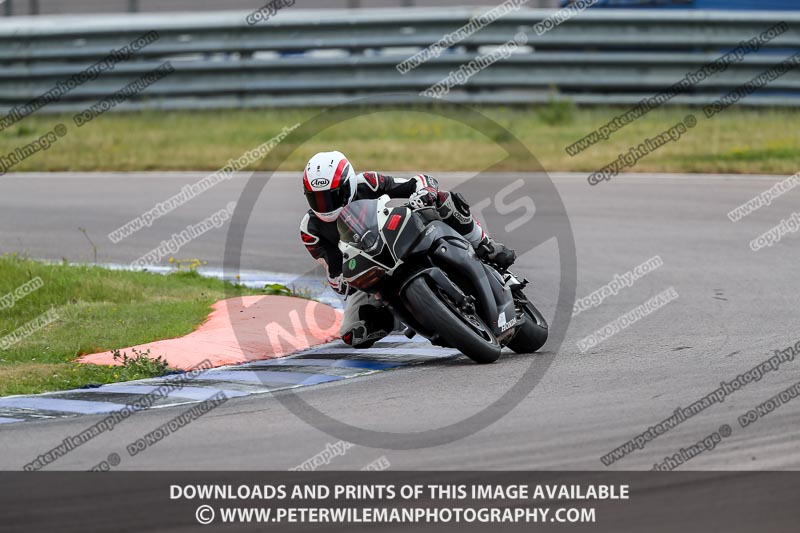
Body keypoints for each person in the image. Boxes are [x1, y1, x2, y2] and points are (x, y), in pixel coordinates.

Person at [299, 150, 515, 348]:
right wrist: (340, 281)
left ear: (349, 184)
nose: (324, 205)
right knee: (354, 334)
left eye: (331, 196)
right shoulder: (310, 229)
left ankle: (484, 243)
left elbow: (417, 182)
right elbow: (332, 267)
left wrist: (425, 192)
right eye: (316, 198)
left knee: (442, 200)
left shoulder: (367, 182)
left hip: (397, 235)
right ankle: (406, 314)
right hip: (371, 270)